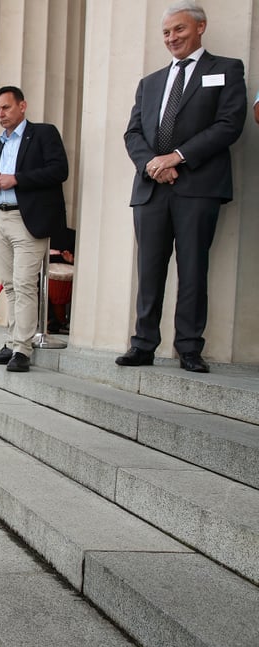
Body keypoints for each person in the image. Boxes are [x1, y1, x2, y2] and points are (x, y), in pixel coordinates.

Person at [116, 1, 246, 373]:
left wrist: (176, 157)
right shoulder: (150, 82)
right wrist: (154, 165)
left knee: (192, 269)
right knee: (149, 269)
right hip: (152, 189)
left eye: (179, 30)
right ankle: (143, 344)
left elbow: (228, 125)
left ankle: (188, 347)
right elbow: (133, 132)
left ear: (200, 27)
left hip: (199, 187)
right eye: (167, 32)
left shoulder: (226, 70)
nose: (172, 38)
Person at [0, 86, 70, 372]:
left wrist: (16, 179)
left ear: (22, 106)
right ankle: (12, 342)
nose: (1, 114)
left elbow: (59, 171)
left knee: (26, 284)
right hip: (0, 219)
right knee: (10, 286)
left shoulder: (44, 134)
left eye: (5, 108)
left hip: (29, 220)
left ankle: (22, 350)